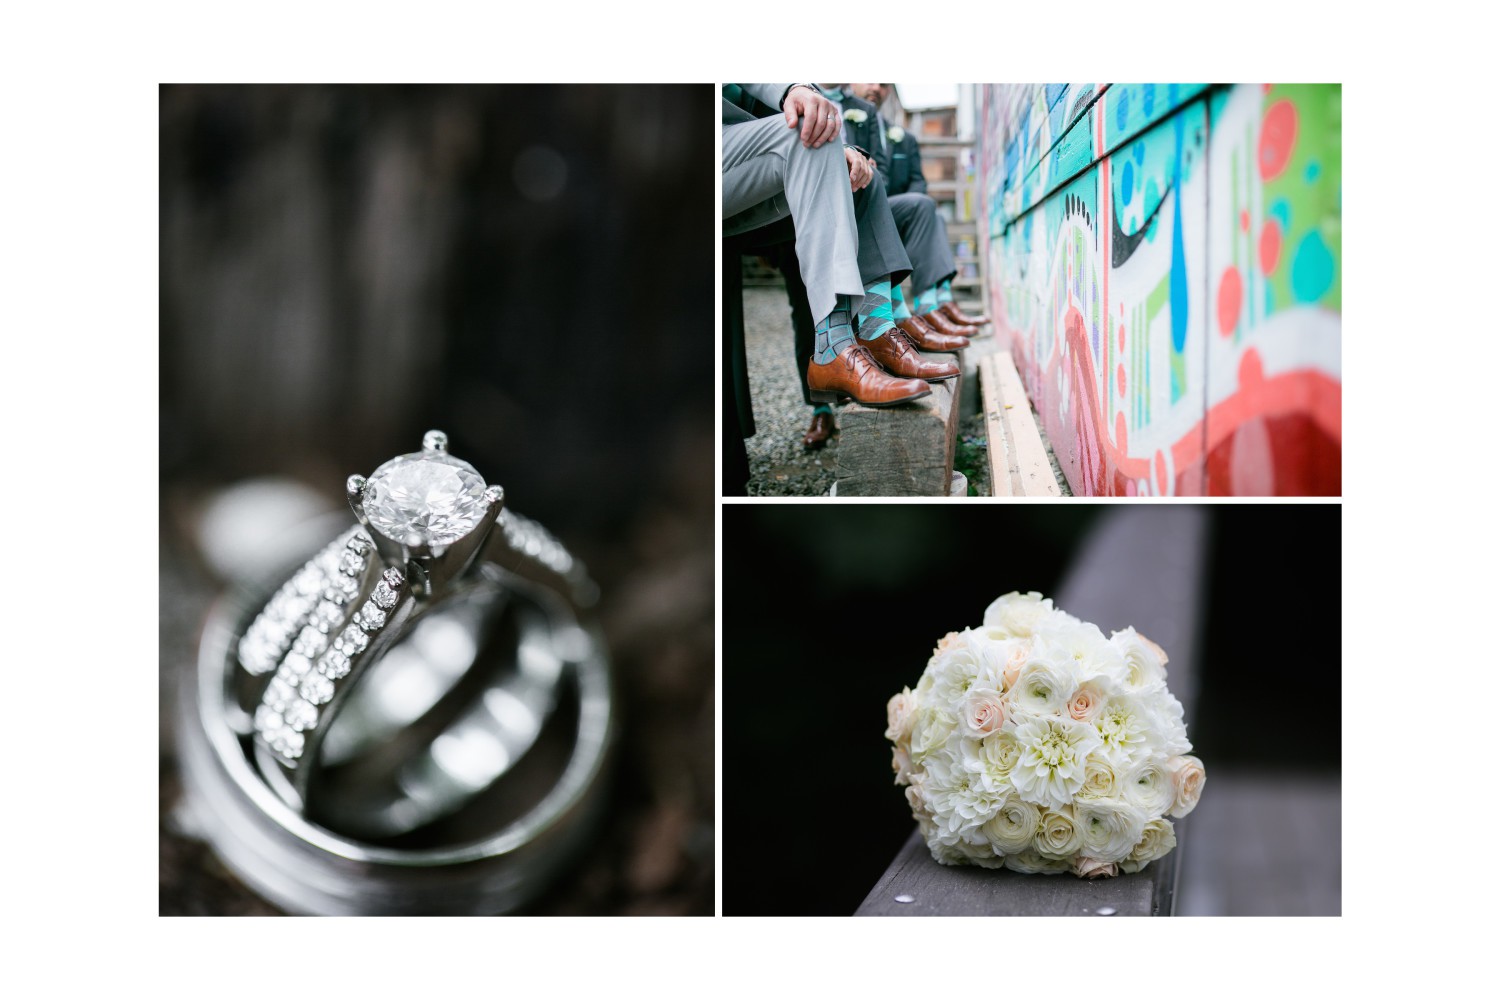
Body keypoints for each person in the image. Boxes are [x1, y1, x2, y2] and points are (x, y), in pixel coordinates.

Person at [723, 84, 935, 410]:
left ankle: (878, 327)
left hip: (756, 161)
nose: (876, 86)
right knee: (811, 136)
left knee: (859, 172)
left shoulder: (864, 109)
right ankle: (832, 351)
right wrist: (792, 91)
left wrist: (798, 91)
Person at [849, 83, 990, 331]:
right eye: (869, 79)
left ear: (890, 91)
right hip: (859, 205)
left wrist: (911, 209)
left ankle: (936, 302)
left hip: (896, 210)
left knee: (930, 212)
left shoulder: (904, 137)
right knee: (924, 208)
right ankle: (925, 307)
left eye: (883, 84)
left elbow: (918, 181)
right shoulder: (847, 119)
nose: (876, 88)